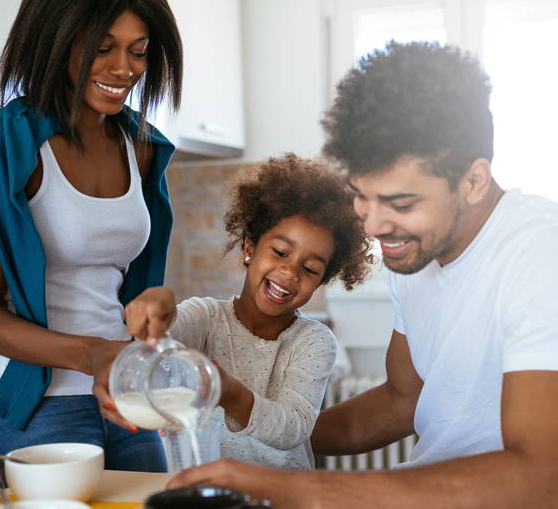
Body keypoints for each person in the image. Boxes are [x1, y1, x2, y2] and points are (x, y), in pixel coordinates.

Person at [169, 42, 558, 509]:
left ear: (473, 180)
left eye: (400, 203)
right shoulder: (415, 261)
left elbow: (543, 492)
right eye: (362, 197)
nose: (376, 226)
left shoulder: (548, 257)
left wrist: (306, 496)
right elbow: (405, 398)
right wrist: (268, 440)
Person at [0, 0, 183, 471]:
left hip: (122, 393)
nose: (124, 69)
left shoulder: (143, 148)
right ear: (54, 40)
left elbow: (127, 287)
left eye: (139, 51)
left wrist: (156, 303)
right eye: (102, 48)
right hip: (36, 406)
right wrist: (93, 354)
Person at [121, 153, 371, 469]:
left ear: (322, 281)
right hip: (208, 492)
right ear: (250, 247)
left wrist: (232, 394)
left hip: (284, 498)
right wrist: (159, 303)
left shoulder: (314, 342)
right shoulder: (205, 318)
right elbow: (156, 341)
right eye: (280, 252)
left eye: (309, 269)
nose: (290, 272)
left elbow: (294, 427)